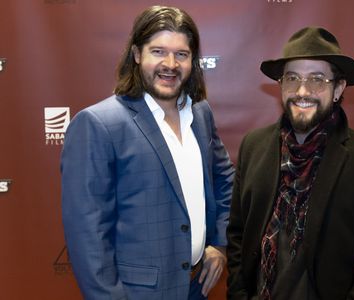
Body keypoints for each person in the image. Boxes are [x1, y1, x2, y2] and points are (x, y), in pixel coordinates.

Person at [61, 6, 234, 300]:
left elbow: (224, 180)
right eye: (158, 51)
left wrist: (219, 243)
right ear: (137, 54)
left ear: (193, 60)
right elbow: (88, 234)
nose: (170, 64)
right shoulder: (98, 124)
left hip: (196, 285)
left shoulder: (200, 113)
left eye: (181, 54)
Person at [226, 27, 354, 300]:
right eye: (292, 78)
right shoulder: (254, 146)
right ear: (281, 85)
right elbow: (238, 236)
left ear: (338, 88)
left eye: (317, 80)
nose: (302, 91)